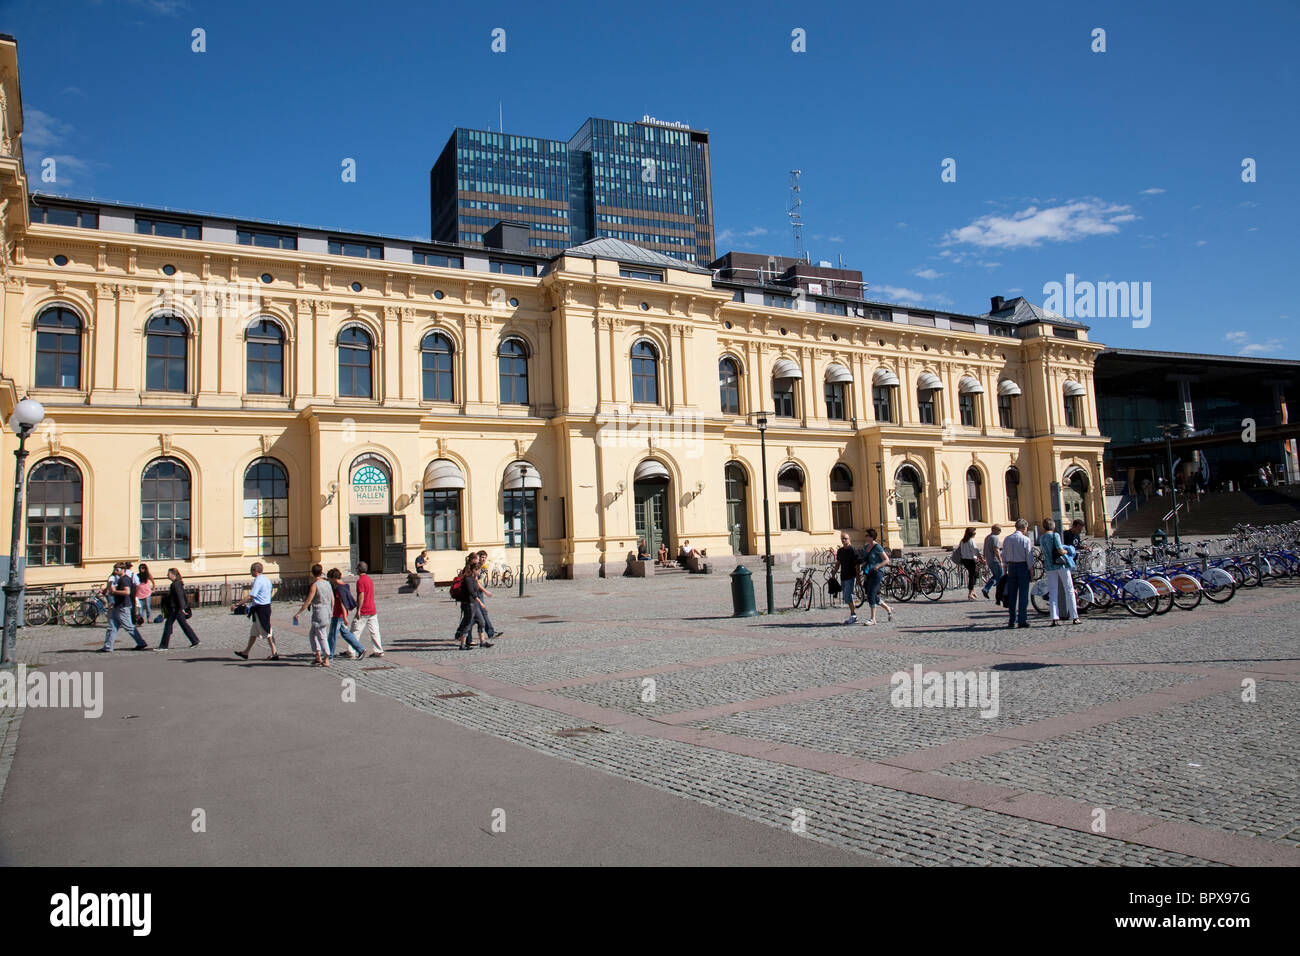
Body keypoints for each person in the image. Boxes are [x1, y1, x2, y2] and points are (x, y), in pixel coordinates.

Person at [100, 562, 150, 653]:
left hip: (123, 607)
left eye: (117, 569)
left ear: (123, 570)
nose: (115, 571)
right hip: (118, 605)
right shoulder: (121, 579)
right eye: (114, 569)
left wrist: (115, 592)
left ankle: (141, 643)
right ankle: (108, 646)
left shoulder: (124, 579)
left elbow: (127, 592)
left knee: (129, 627)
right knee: (112, 627)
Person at [1040, 518, 1080, 626]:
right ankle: (1075, 616)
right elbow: (1060, 550)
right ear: (1052, 526)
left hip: (1049, 567)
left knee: (1053, 592)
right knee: (1069, 589)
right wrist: (1068, 550)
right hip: (1060, 565)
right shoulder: (1055, 535)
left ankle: (1054, 617)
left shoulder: (1042, 538)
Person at [235, 562, 279, 660]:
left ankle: (274, 653)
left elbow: (252, 595)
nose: (251, 572)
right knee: (254, 632)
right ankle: (246, 652)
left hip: (261, 609)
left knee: (267, 631)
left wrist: (238, 604)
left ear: (255, 570)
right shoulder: (267, 580)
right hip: (265, 606)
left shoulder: (258, 581)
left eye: (251, 570)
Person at [293, 564, 334, 666]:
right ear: (321, 571)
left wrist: (299, 613)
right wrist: (331, 610)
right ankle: (318, 654)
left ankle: (326, 656)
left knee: (321, 635)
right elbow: (332, 599)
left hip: (319, 612)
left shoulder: (315, 585)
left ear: (312, 573)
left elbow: (308, 601)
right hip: (327, 611)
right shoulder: (327, 584)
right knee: (313, 634)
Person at [454, 554, 493, 650]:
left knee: (481, 622)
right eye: (478, 570)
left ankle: (482, 642)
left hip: (474, 604)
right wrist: (480, 603)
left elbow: (476, 588)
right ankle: (462, 644)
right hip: (469, 604)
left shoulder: (473, 579)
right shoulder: (467, 579)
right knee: (467, 623)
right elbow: (472, 593)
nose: (479, 572)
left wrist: (485, 592)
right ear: (474, 570)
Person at [325, 569, 366, 660]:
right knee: (345, 633)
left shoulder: (339, 589)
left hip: (338, 615)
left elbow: (342, 603)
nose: (330, 581)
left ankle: (330, 655)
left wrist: (344, 616)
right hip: (341, 615)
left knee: (332, 635)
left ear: (334, 578)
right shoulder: (345, 586)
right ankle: (360, 649)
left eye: (330, 579)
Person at [1001, 519, 1034, 628]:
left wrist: (1005, 568)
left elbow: (1004, 555)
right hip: (1023, 566)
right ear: (1024, 528)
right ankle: (1022, 620)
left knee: (1012, 595)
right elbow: (1029, 557)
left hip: (1011, 566)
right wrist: (1031, 571)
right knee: (1023, 594)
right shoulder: (1025, 540)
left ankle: (1012, 620)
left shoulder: (1007, 539)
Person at [158, 568, 200, 649]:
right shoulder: (177, 583)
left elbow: (180, 596)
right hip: (177, 609)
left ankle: (164, 646)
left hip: (176, 609)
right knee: (183, 625)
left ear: (173, 575)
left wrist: (182, 608)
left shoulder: (176, 584)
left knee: (168, 626)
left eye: (168, 574)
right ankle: (195, 640)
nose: (167, 575)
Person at [859, 528, 892, 626]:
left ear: (871, 537)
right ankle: (888, 608)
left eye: (867, 535)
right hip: (869, 572)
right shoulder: (866, 547)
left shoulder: (878, 547)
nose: (865, 537)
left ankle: (873, 619)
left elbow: (886, 560)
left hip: (877, 572)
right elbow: (867, 559)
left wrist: (878, 566)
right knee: (869, 594)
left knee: (872, 593)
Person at [352, 561, 383, 657]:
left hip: (364, 609)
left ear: (358, 569)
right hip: (372, 609)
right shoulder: (369, 579)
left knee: (355, 631)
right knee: (374, 631)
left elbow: (361, 595)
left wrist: (359, 609)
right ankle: (378, 650)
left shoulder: (360, 581)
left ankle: (351, 650)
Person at [473, 550, 505, 643]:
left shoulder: (482, 567)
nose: (483, 559)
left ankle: (460, 632)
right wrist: (485, 591)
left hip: (480, 592)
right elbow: (476, 582)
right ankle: (491, 633)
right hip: (477, 592)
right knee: (481, 613)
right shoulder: (476, 567)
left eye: (485, 557)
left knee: (476, 615)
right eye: (482, 557)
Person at [835, 531, 861, 624]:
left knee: (847, 596)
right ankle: (854, 611)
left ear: (849, 539)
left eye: (845, 538)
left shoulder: (852, 550)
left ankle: (853, 615)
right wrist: (834, 572)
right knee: (847, 596)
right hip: (843, 576)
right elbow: (838, 563)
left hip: (851, 576)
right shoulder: (840, 551)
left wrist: (858, 577)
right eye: (842, 538)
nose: (844, 540)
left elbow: (857, 564)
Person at [980, 525, 1003, 601]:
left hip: (989, 560)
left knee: (996, 576)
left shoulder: (987, 537)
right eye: (999, 530)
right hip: (995, 560)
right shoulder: (995, 538)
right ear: (995, 530)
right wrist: (1000, 560)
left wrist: (985, 558)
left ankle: (987, 589)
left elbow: (984, 549)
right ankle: (1000, 594)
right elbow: (996, 550)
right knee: (1000, 577)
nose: (1000, 532)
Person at [957, 527, 980, 600]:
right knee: (972, 576)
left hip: (964, 560)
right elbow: (975, 550)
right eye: (974, 533)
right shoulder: (971, 541)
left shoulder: (962, 541)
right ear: (971, 533)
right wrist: (981, 558)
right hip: (970, 560)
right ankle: (970, 593)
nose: (975, 534)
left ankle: (972, 590)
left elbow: (960, 549)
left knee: (975, 574)